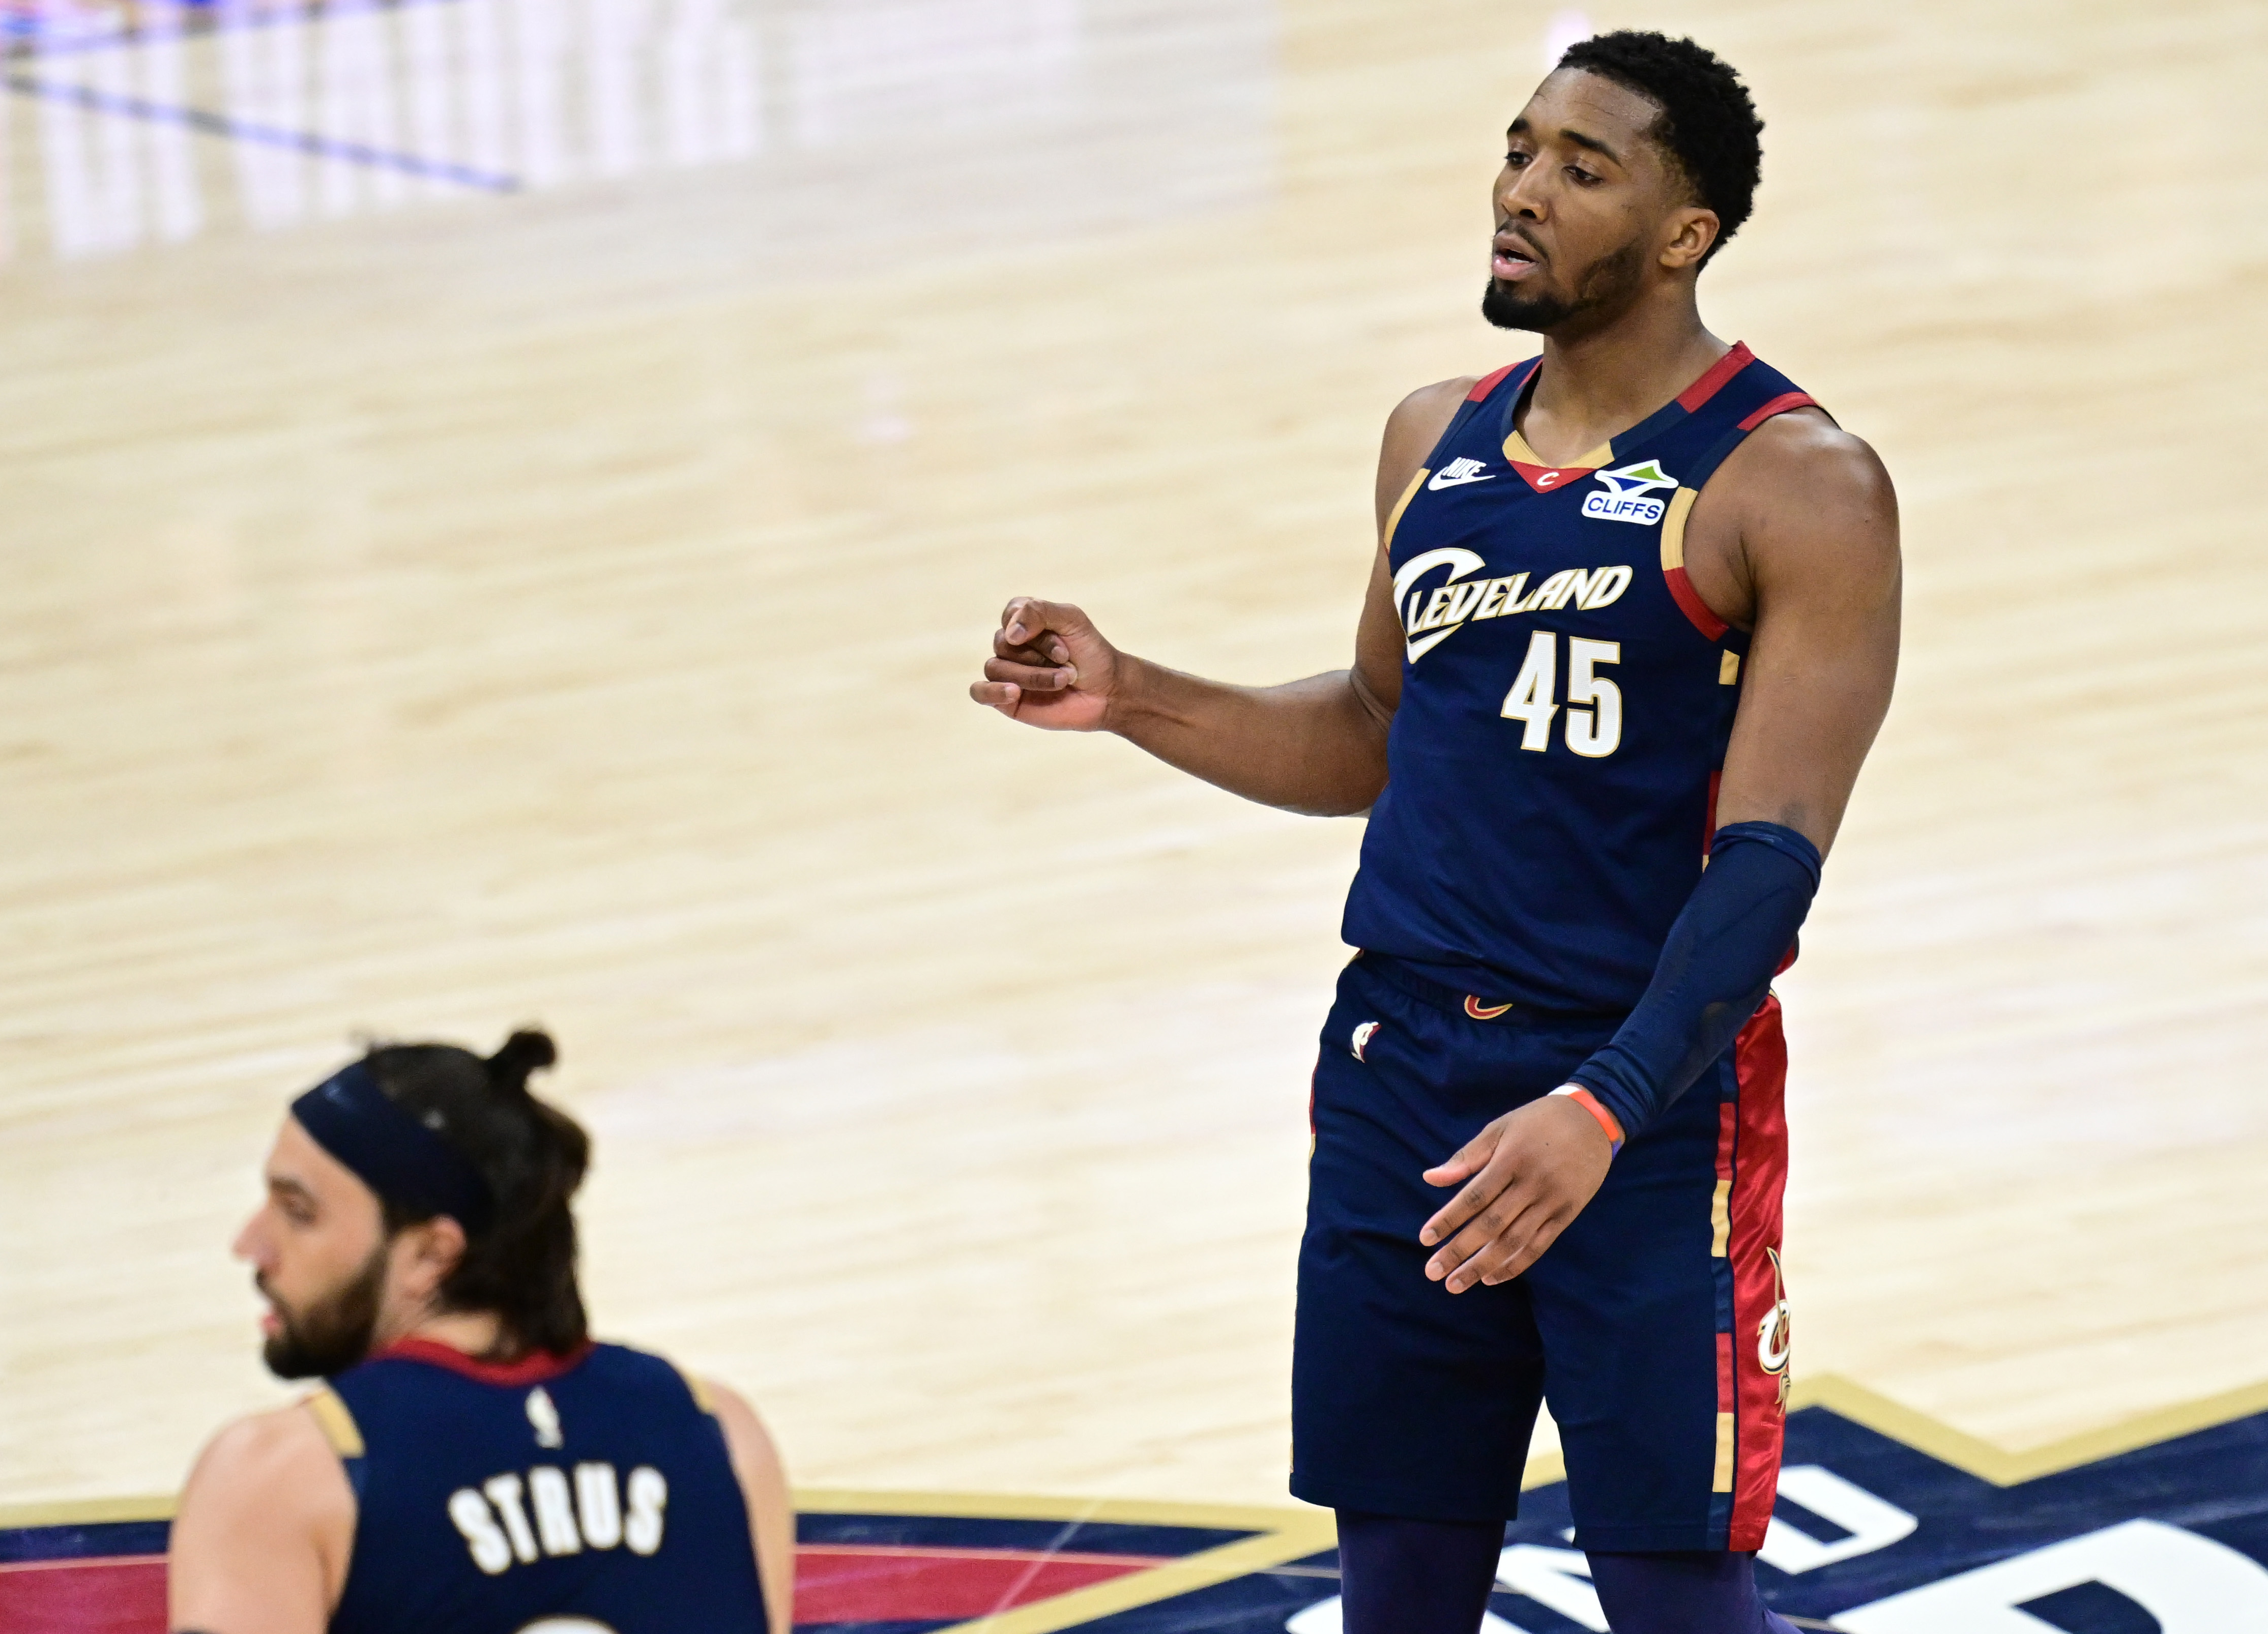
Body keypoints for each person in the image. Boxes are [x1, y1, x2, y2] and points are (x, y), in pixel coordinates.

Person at [969, 30, 1898, 1634]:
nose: (1523, 188)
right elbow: (1385, 732)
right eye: (1522, 147)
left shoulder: (1796, 486)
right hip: (1401, 1073)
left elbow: (1767, 864)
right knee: (1397, 1587)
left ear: (1686, 236)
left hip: (1640, 1099)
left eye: (1582, 168)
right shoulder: (1432, 437)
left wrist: (1597, 1111)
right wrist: (1133, 692)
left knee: (1673, 1598)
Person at [169, 1031, 792, 1634]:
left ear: (431, 1255)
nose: (251, 1245)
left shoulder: (282, 1477)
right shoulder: (722, 1434)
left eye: (299, 1212)